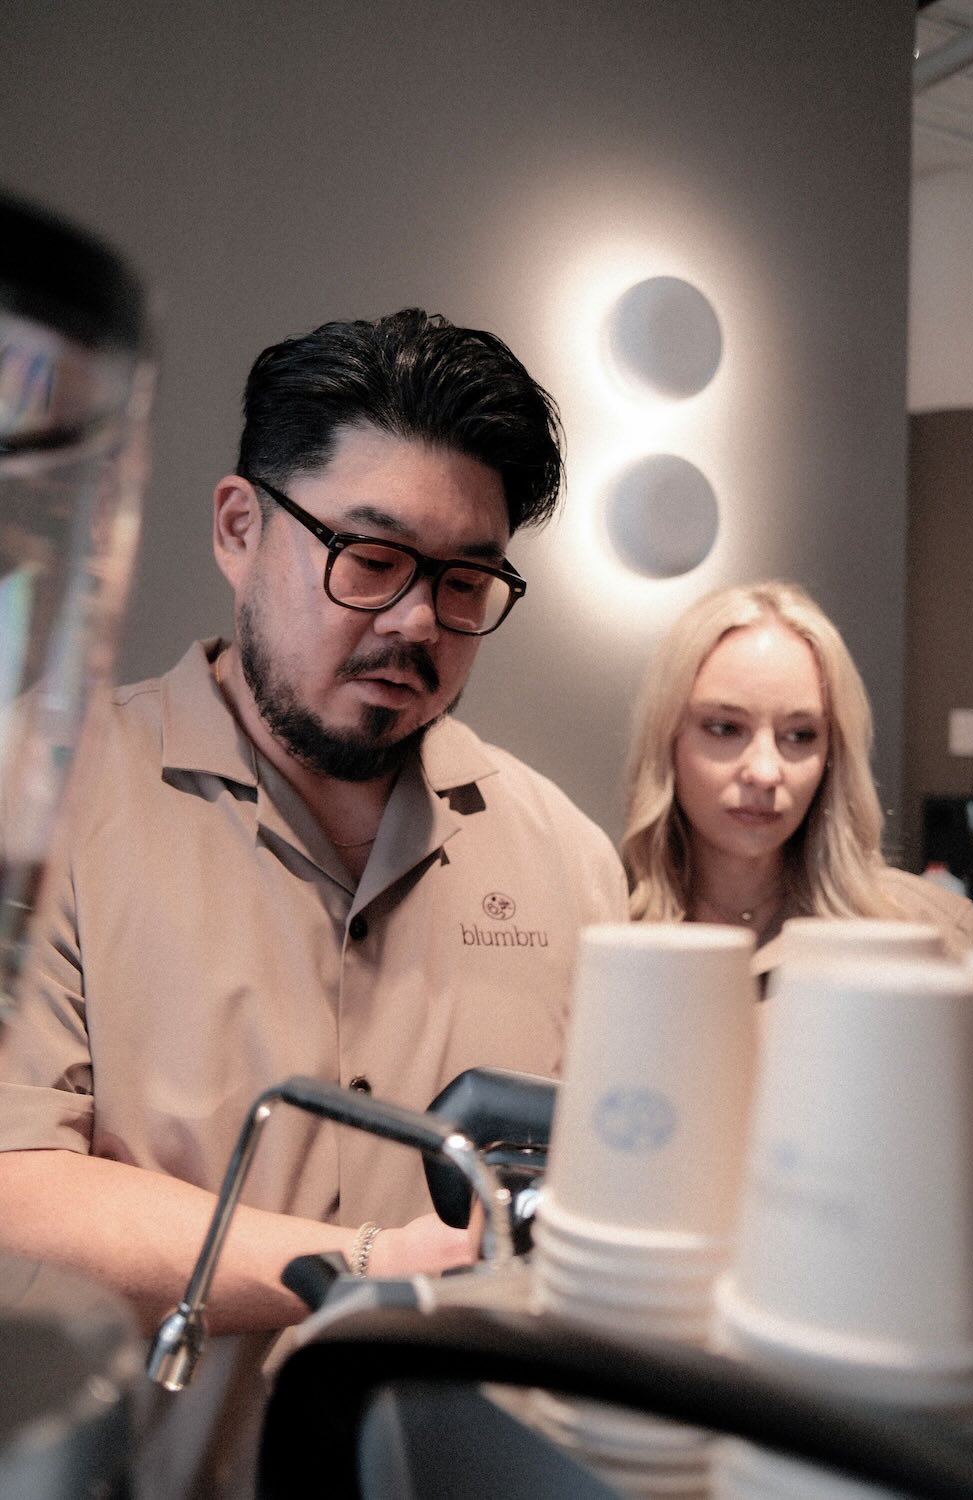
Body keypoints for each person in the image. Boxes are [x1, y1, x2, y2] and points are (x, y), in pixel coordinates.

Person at [0, 309, 628, 1499]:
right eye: (371, 558)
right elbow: (16, 1189)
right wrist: (370, 1264)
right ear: (240, 528)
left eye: (464, 580)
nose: (414, 622)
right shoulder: (43, 794)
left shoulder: (567, 863)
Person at [622, 579, 973, 981]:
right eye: (725, 728)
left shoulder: (932, 936)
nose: (765, 773)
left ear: (832, 756)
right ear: (667, 739)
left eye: (800, 736)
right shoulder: (602, 922)